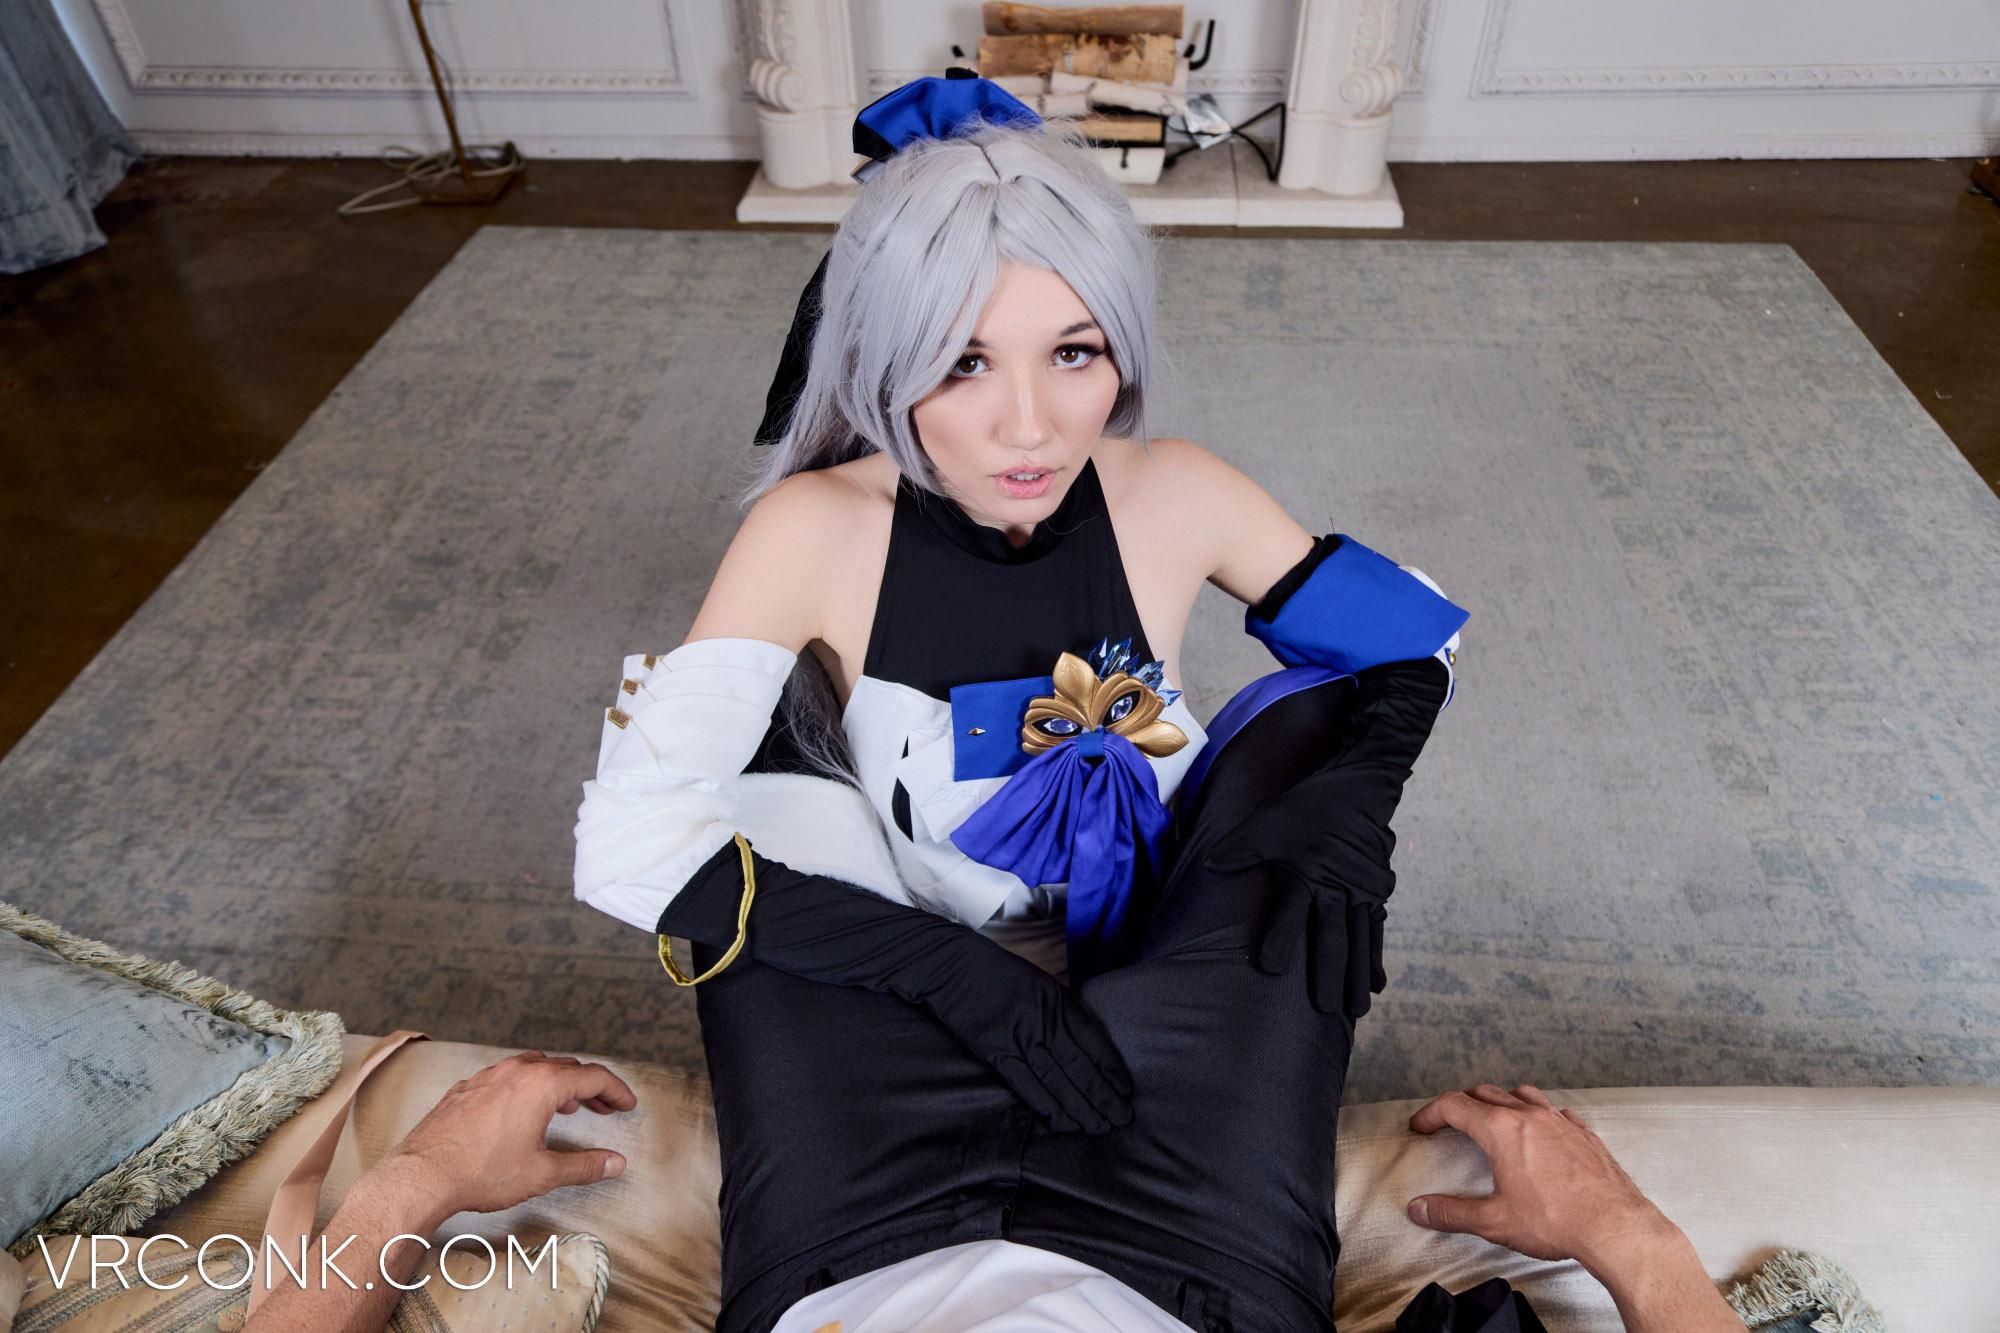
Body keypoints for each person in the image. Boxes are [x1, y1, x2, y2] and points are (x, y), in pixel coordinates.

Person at [567, 78, 1490, 1329]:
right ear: (882, 358)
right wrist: (940, 970)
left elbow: (1411, 642)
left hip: (1164, 932)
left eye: (1072, 352)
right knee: (749, 804)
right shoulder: (815, 528)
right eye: (960, 361)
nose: (1028, 426)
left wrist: (1348, 815)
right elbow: (627, 838)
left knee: (1314, 733)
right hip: (896, 944)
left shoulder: (1175, 492)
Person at [241, 1052, 1748, 1332]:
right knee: (1309, 786)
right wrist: (1625, 1235)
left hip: (826, 1251)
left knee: (769, 802)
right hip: (1206, 1264)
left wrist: (417, 1181)